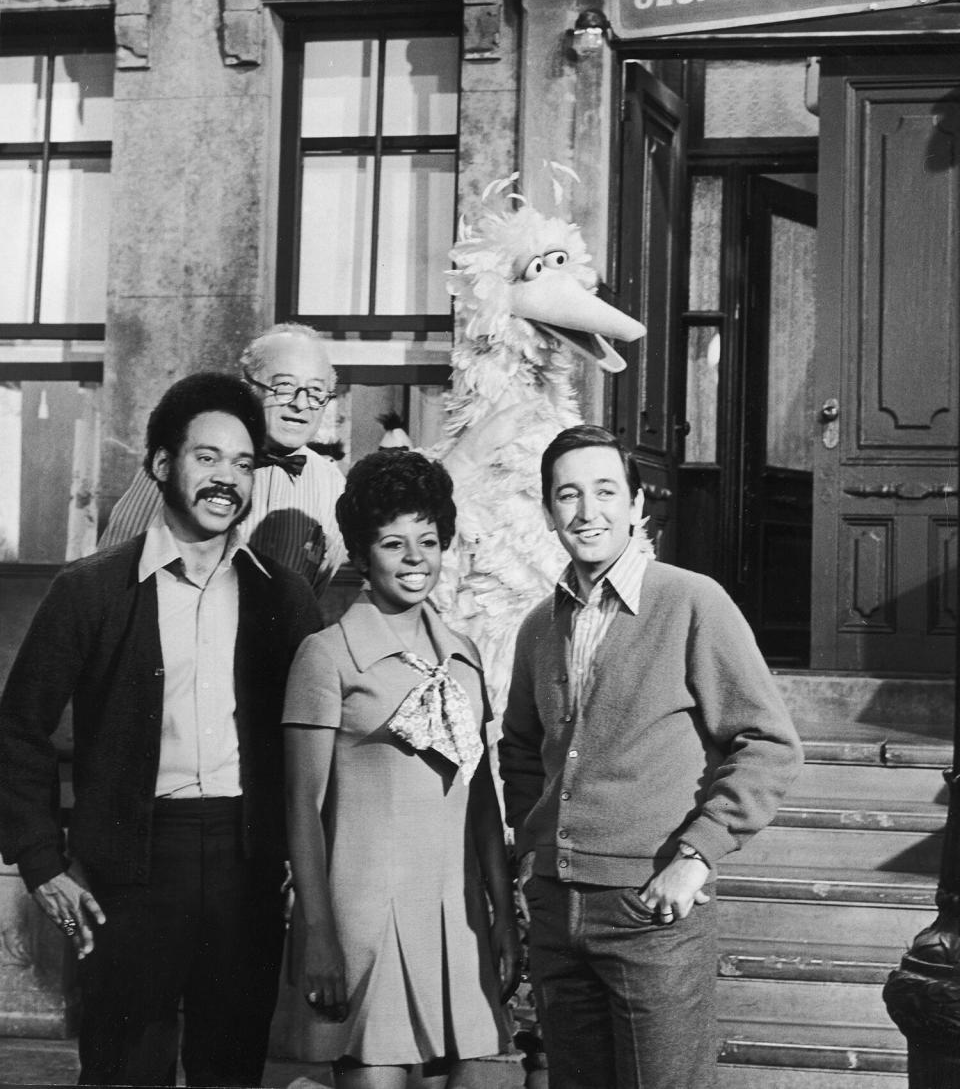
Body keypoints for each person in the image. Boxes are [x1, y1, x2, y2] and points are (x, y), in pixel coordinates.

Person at [0, 373, 323, 1087]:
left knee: (231, 1070)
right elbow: (16, 730)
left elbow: (320, 736)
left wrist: (310, 864)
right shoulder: (90, 590)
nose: (227, 480)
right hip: (131, 869)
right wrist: (42, 863)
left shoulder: (285, 595)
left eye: (243, 465)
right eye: (207, 457)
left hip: (247, 867)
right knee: (122, 1071)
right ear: (160, 465)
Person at [498, 425, 804, 1089]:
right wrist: (533, 851)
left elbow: (769, 745)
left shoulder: (692, 602)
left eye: (606, 491)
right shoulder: (537, 627)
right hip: (558, 912)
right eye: (568, 495)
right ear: (549, 512)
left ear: (638, 505)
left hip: (653, 910)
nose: (588, 512)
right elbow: (521, 748)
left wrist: (696, 858)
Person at [283, 449, 520, 1088]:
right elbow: (301, 808)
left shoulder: (464, 657)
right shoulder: (326, 656)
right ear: (362, 553)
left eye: (430, 540)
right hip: (363, 916)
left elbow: (481, 803)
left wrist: (501, 914)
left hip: (455, 914)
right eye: (394, 542)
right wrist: (319, 936)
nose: (416, 557)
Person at [99, 322, 346, 597]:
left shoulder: (331, 484)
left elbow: (316, 589)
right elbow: (113, 573)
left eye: (315, 393)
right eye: (284, 387)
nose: (300, 404)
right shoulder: (183, 459)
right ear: (248, 387)